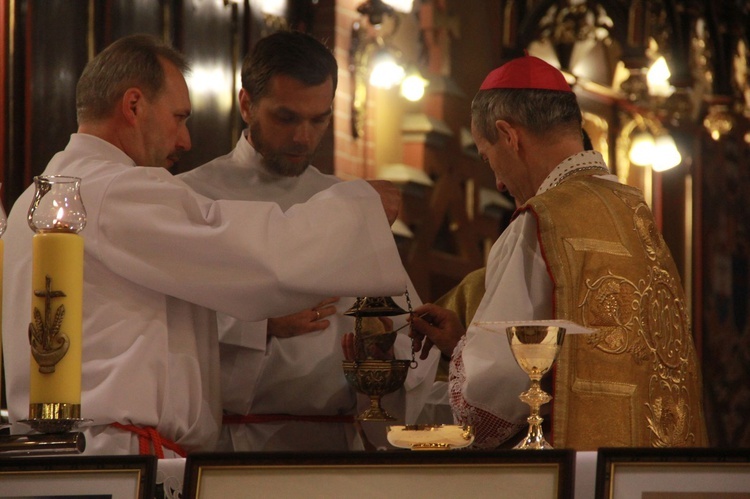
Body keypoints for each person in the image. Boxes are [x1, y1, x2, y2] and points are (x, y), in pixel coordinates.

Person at [2, 34, 412, 458]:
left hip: (85, 449)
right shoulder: (113, 190)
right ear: (134, 105)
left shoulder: (37, 199)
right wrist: (358, 210)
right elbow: (254, 256)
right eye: (178, 117)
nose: (185, 141)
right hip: (120, 452)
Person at [409, 55, 708, 450]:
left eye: (488, 157)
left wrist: (462, 354)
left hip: (570, 463)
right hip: (645, 461)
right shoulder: (633, 211)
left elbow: (492, 390)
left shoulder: (540, 222)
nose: (497, 182)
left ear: (509, 135)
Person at [179, 30, 440, 451]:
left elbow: (399, 327)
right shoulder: (192, 196)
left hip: (334, 444)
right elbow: (165, 320)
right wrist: (263, 325)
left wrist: (385, 346)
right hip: (233, 440)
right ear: (247, 105)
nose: (303, 137)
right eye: (286, 118)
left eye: (318, 119)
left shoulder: (347, 203)